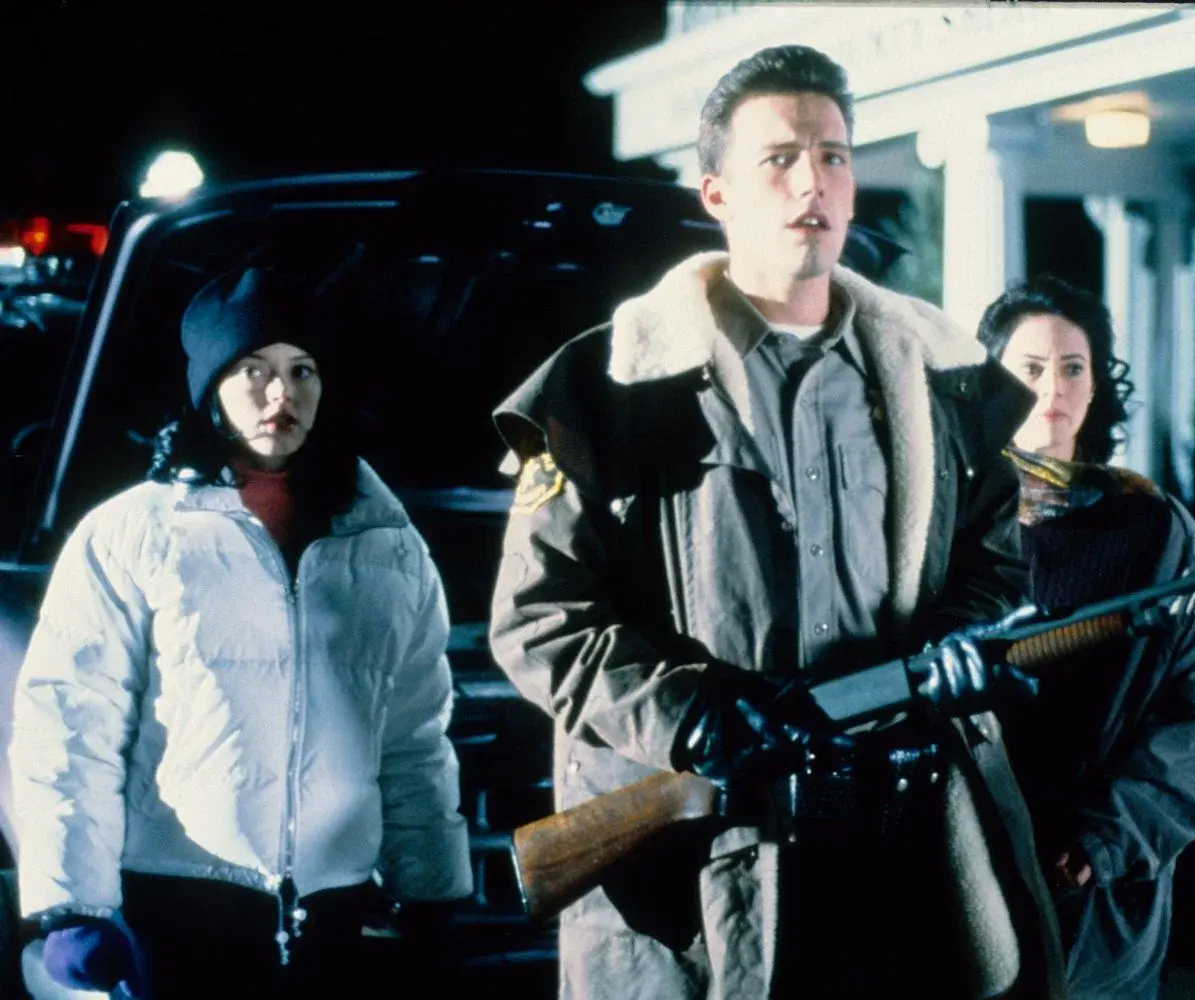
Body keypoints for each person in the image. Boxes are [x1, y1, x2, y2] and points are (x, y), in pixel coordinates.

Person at [489, 44, 1068, 1000]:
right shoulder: (606, 386)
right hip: (706, 861)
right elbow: (540, 619)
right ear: (715, 192)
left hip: (898, 845)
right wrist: (694, 714)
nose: (813, 182)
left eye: (833, 156)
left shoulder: (944, 379)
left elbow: (994, 565)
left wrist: (964, 645)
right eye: (779, 159)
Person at [8, 267, 472, 999]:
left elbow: (414, 740)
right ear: (210, 389)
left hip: (335, 912)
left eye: (302, 370)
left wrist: (432, 893)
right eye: (253, 370)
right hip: (180, 905)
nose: (281, 394)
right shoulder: (132, 535)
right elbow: (71, 727)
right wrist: (72, 908)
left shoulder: (389, 546)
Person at [977, 275, 1195, 999]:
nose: (1051, 388)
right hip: (967, 860)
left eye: (1072, 367)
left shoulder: (1151, 527)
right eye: (1029, 368)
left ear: (1095, 386)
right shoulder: (951, 522)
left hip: (1097, 887)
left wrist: (1108, 838)